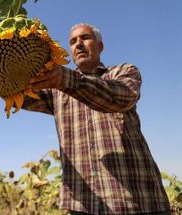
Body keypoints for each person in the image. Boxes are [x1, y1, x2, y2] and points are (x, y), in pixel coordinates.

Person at [24, 23, 171, 215]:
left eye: (85, 38)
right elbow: (21, 96)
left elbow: (121, 97)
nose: (78, 44)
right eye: (73, 41)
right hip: (83, 204)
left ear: (100, 46)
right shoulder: (55, 90)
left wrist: (65, 80)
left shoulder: (123, 72)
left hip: (137, 200)